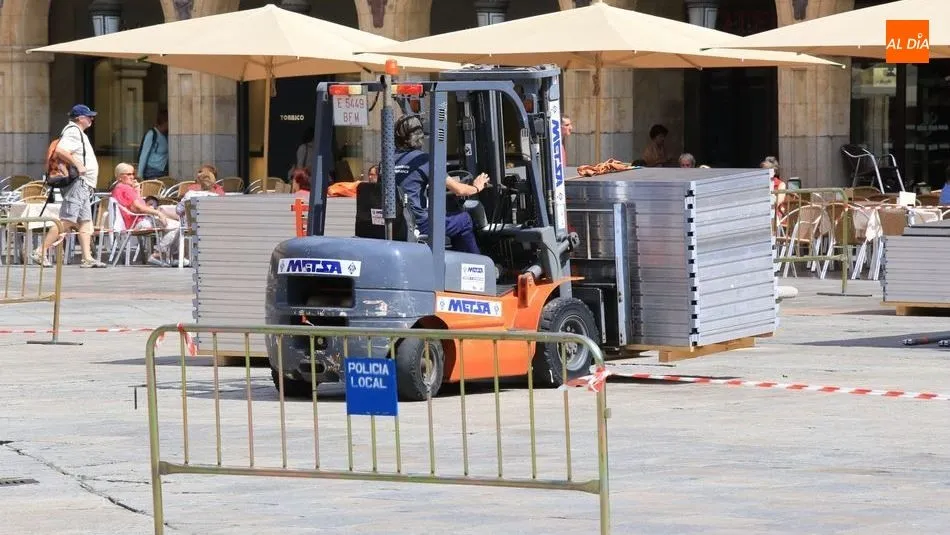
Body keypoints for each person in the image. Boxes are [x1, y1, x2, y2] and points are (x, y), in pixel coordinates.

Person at [393, 115, 488, 255]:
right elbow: (460, 190)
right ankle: (476, 263)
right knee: (464, 220)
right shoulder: (422, 160)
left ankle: (454, 259)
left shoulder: (388, 161)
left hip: (397, 223)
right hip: (419, 224)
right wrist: (476, 187)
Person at [33, 104, 107, 268]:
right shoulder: (73, 131)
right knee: (67, 219)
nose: (92, 119)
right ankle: (40, 251)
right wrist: (79, 165)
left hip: (84, 184)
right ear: (80, 118)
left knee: (85, 221)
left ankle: (87, 258)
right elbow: (60, 150)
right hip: (78, 183)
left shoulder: (77, 132)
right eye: (89, 116)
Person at [111, 162, 181, 267]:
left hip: (133, 222)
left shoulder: (118, 188)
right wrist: (157, 212)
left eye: (133, 174)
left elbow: (135, 206)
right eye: (128, 174)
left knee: (172, 222)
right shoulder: (125, 188)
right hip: (138, 222)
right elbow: (138, 208)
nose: (132, 177)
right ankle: (159, 254)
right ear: (120, 176)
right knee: (177, 226)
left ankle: (173, 256)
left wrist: (137, 191)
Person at [137, 110, 169, 179]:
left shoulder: (166, 135)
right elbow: (144, 155)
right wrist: (140, 175)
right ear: (165, 122)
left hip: (163, 171)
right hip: (152, 171)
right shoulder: (152, 134)